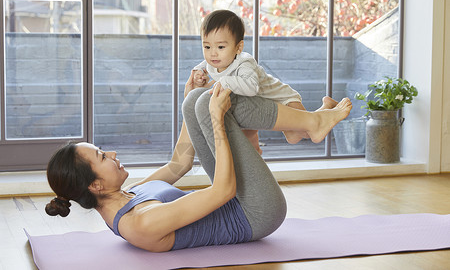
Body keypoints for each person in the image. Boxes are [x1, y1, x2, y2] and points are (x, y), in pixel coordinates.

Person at [45, 71, 352, 252]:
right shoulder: (140, 223)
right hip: (256, 213)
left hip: (237, 198)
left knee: (198, 100)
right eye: (102, 156)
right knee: (212, 105)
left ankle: (308, 124)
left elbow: (179, 163)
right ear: (95, 184)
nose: (111, 153)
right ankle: (310, 124)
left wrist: (186, 102)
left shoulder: (128, 196)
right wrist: (216, 121)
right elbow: (222, 192)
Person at [192, 9, 339, 154]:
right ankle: (255, 153)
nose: (213, 53)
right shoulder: (214, 61)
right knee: (290, 137)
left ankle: (328, 107)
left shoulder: (244, 64)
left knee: (307, 133)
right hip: (263, 105)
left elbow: (251, 87)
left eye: (221, 47)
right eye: (207, 46)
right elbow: (204, 66)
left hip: (283, 99)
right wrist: (199, 72)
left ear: (239, 47)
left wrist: (225, 82)